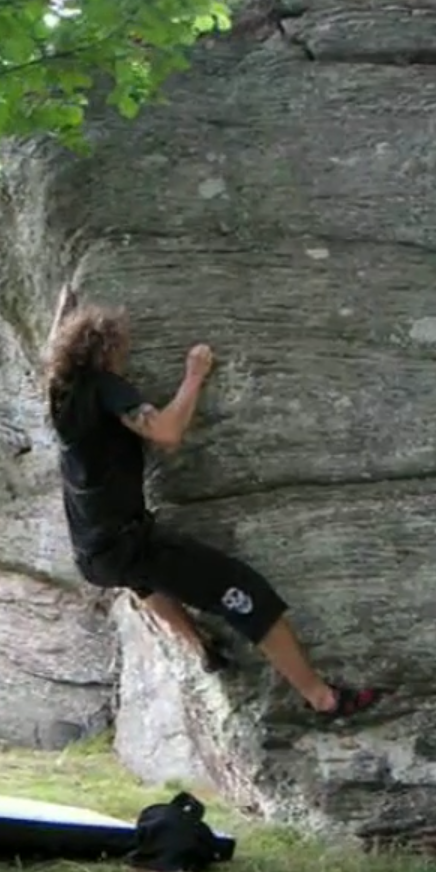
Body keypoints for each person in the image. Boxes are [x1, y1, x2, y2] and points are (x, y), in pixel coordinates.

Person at [45, 285, 385, 720]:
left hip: (93, 555)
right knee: (247, 592)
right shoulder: (105, 387)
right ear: (107, 351)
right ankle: (324, 699)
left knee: (144, 581)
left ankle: (201, 647)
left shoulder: (60, 393)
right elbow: (166, 432)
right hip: (131, 544)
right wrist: (194, 376)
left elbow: (48, 353)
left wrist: (64, 309)